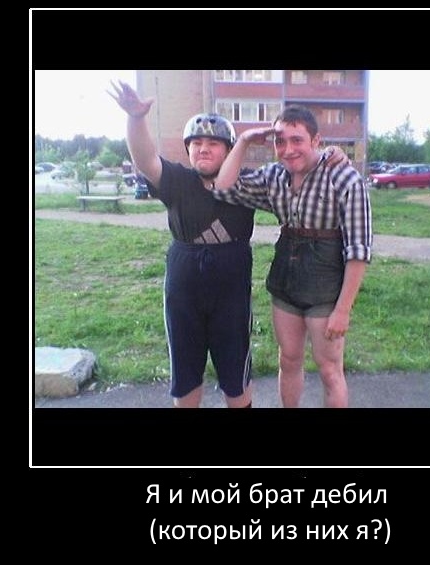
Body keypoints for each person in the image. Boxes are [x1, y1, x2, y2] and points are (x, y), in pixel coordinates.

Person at [108, 82, 349, 408]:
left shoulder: (246, 182)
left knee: (236, 371)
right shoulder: (177, 180)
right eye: (196, 143)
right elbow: (145, 159)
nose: (203, 149)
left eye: (213, 143)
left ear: (228, 149)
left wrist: (330, 154)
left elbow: (297, 170)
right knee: (185, 370)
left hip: (231, 292)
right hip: (183, 289)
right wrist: (136, 118)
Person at [213, 105, 372, 408]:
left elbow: (358, 251)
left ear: (316, 140)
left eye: (297, 140)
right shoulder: (273, 176)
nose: (288, 149)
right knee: (288, 359)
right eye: (280, 141)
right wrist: (244, 141)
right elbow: (223, 188)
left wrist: (343, 310)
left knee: (329, 370)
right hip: (285, 282)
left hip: (326, 290)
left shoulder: (344, 179)